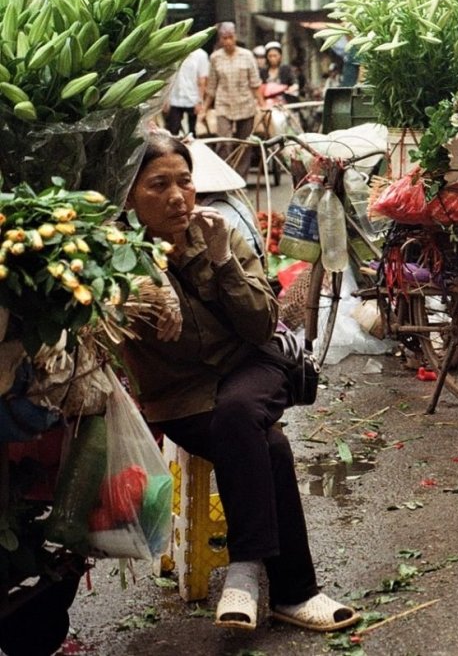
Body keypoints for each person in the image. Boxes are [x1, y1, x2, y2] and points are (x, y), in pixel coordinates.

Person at [121, 133, 360, 633]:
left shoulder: (221, 232)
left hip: (255, 367)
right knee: (267, 445)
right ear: (128, 197)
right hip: (181, 398)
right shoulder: (116, 263)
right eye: (158, 185)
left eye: (185, 182)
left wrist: (221, 261)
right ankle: (294, 594)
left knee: (237, 413)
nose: (176, 197)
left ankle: (246, 570)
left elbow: (259, 327)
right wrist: (142, 292)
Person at [206, 22, 264, 176]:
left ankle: (241, 176)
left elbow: (255, 83)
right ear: (220, 39)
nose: (228, 42)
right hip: (223, 104)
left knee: (244, 143)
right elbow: (211, 85)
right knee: (223, 142)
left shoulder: (247, 55)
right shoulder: (215, 58)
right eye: (224, 38)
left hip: (245, 103)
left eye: (230, 37)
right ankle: (225, 176)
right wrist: (204, 108)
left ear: (235, 37)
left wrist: (262, 105)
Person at [162, 45, 209, 136]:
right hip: (175, 98)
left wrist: (200, 100)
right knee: (173, 130)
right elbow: (168, 77)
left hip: (192, 98)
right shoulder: (173, 53)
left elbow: (202, 79)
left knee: (192, 132)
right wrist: (165, 98)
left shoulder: (200, 55)